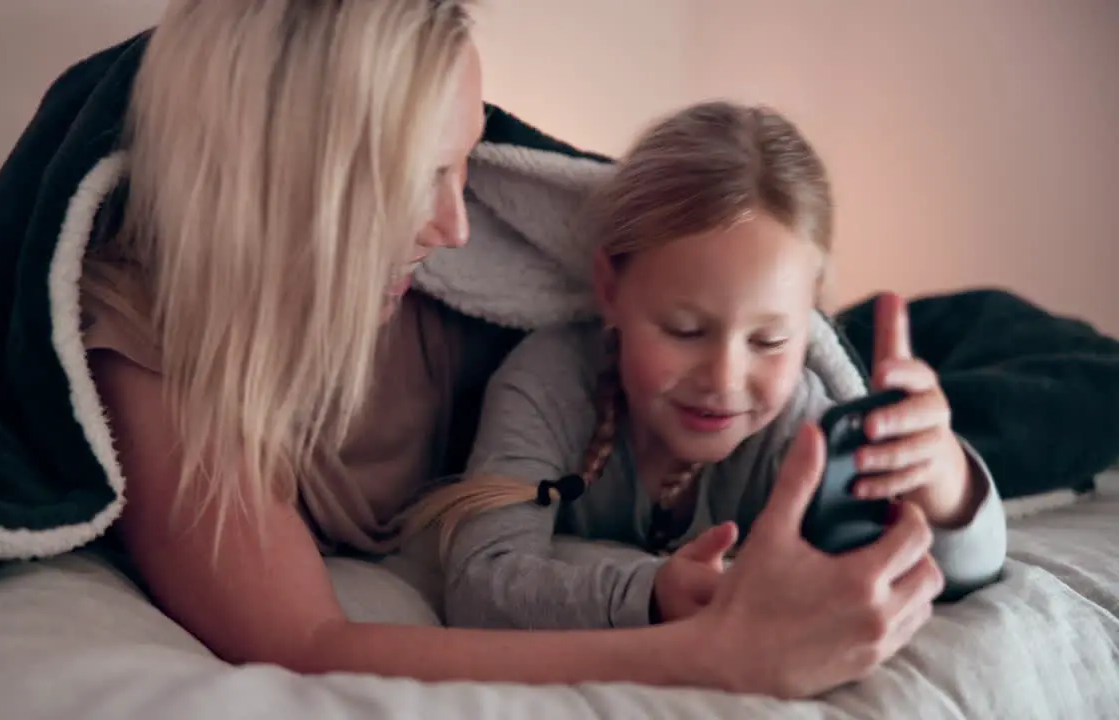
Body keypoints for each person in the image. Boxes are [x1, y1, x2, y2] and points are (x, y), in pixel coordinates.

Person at [56, 0, 978, 699]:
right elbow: (307, 645)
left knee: (991, 363)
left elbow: (702, 293)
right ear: (300, 183)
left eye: (471, 164)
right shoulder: (152, 355)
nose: (459, 227)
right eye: (423, 179)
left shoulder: (477, 293)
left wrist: (945, 482)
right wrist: (713, 656)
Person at [408, 101, 1006, 654]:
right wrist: (650, 592)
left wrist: (946, 482)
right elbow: (481, 581)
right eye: (685, 330)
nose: (724, 378)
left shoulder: (802, 424)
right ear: (611, 289)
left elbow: (949, 569)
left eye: (769, 340)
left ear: (809, 323)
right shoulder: (547, 384)